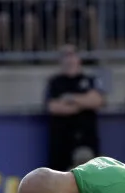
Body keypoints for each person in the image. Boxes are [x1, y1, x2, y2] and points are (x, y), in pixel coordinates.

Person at [44, 44, 105, 172]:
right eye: (65, 56)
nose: (69, 59)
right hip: (61, 142)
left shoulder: (89, 80)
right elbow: (53, 107)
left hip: (85, 140)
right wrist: (83, 104)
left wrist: (71, 98)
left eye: (72, 55)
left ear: (79, 58)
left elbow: (97, 100)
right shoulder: (55, 82)